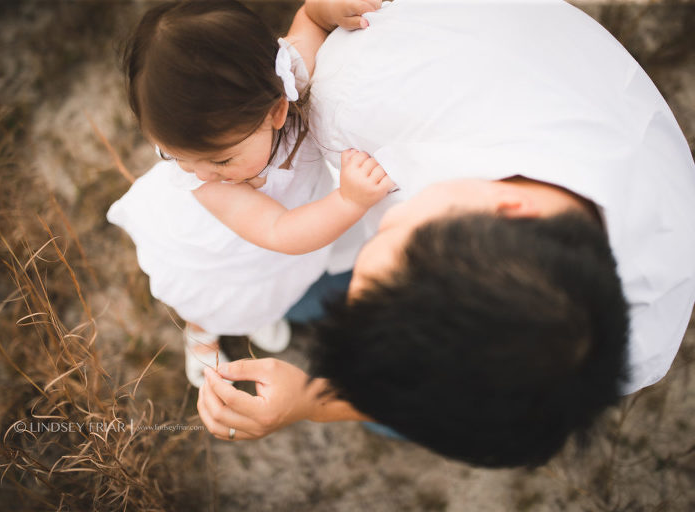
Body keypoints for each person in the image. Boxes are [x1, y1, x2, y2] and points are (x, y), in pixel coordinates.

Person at [197, 0, 695, 467]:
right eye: (391, 234)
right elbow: (319, 25)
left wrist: (312, 401)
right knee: (304, 293)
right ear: (511, 210)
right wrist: (315, 12)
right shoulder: (361, 86)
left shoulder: (628, 338)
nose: (379, 230)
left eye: (388, 229)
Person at [108, 0, 391, 387]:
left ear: (276, 112)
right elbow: (279, 231)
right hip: (218, 249)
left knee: (265, 295)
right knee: (210, 299)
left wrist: (330, 9)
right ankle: (201, 334)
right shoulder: (205, 186)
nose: (200, 172)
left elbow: (309, 18)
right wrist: (348, 201)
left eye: (221, 160)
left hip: (273, 255)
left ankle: (258, 312)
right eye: (173, 154)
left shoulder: (290, 77)